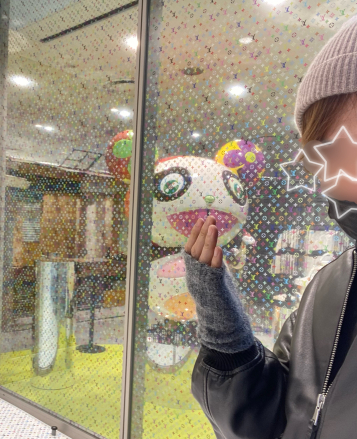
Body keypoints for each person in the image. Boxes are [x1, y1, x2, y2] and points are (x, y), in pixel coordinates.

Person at [183, 15, 357, 439]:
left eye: (335, 148)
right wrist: (226, 337)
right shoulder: (330, 286)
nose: (325, 178)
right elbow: (282, 420)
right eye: (317, 154)